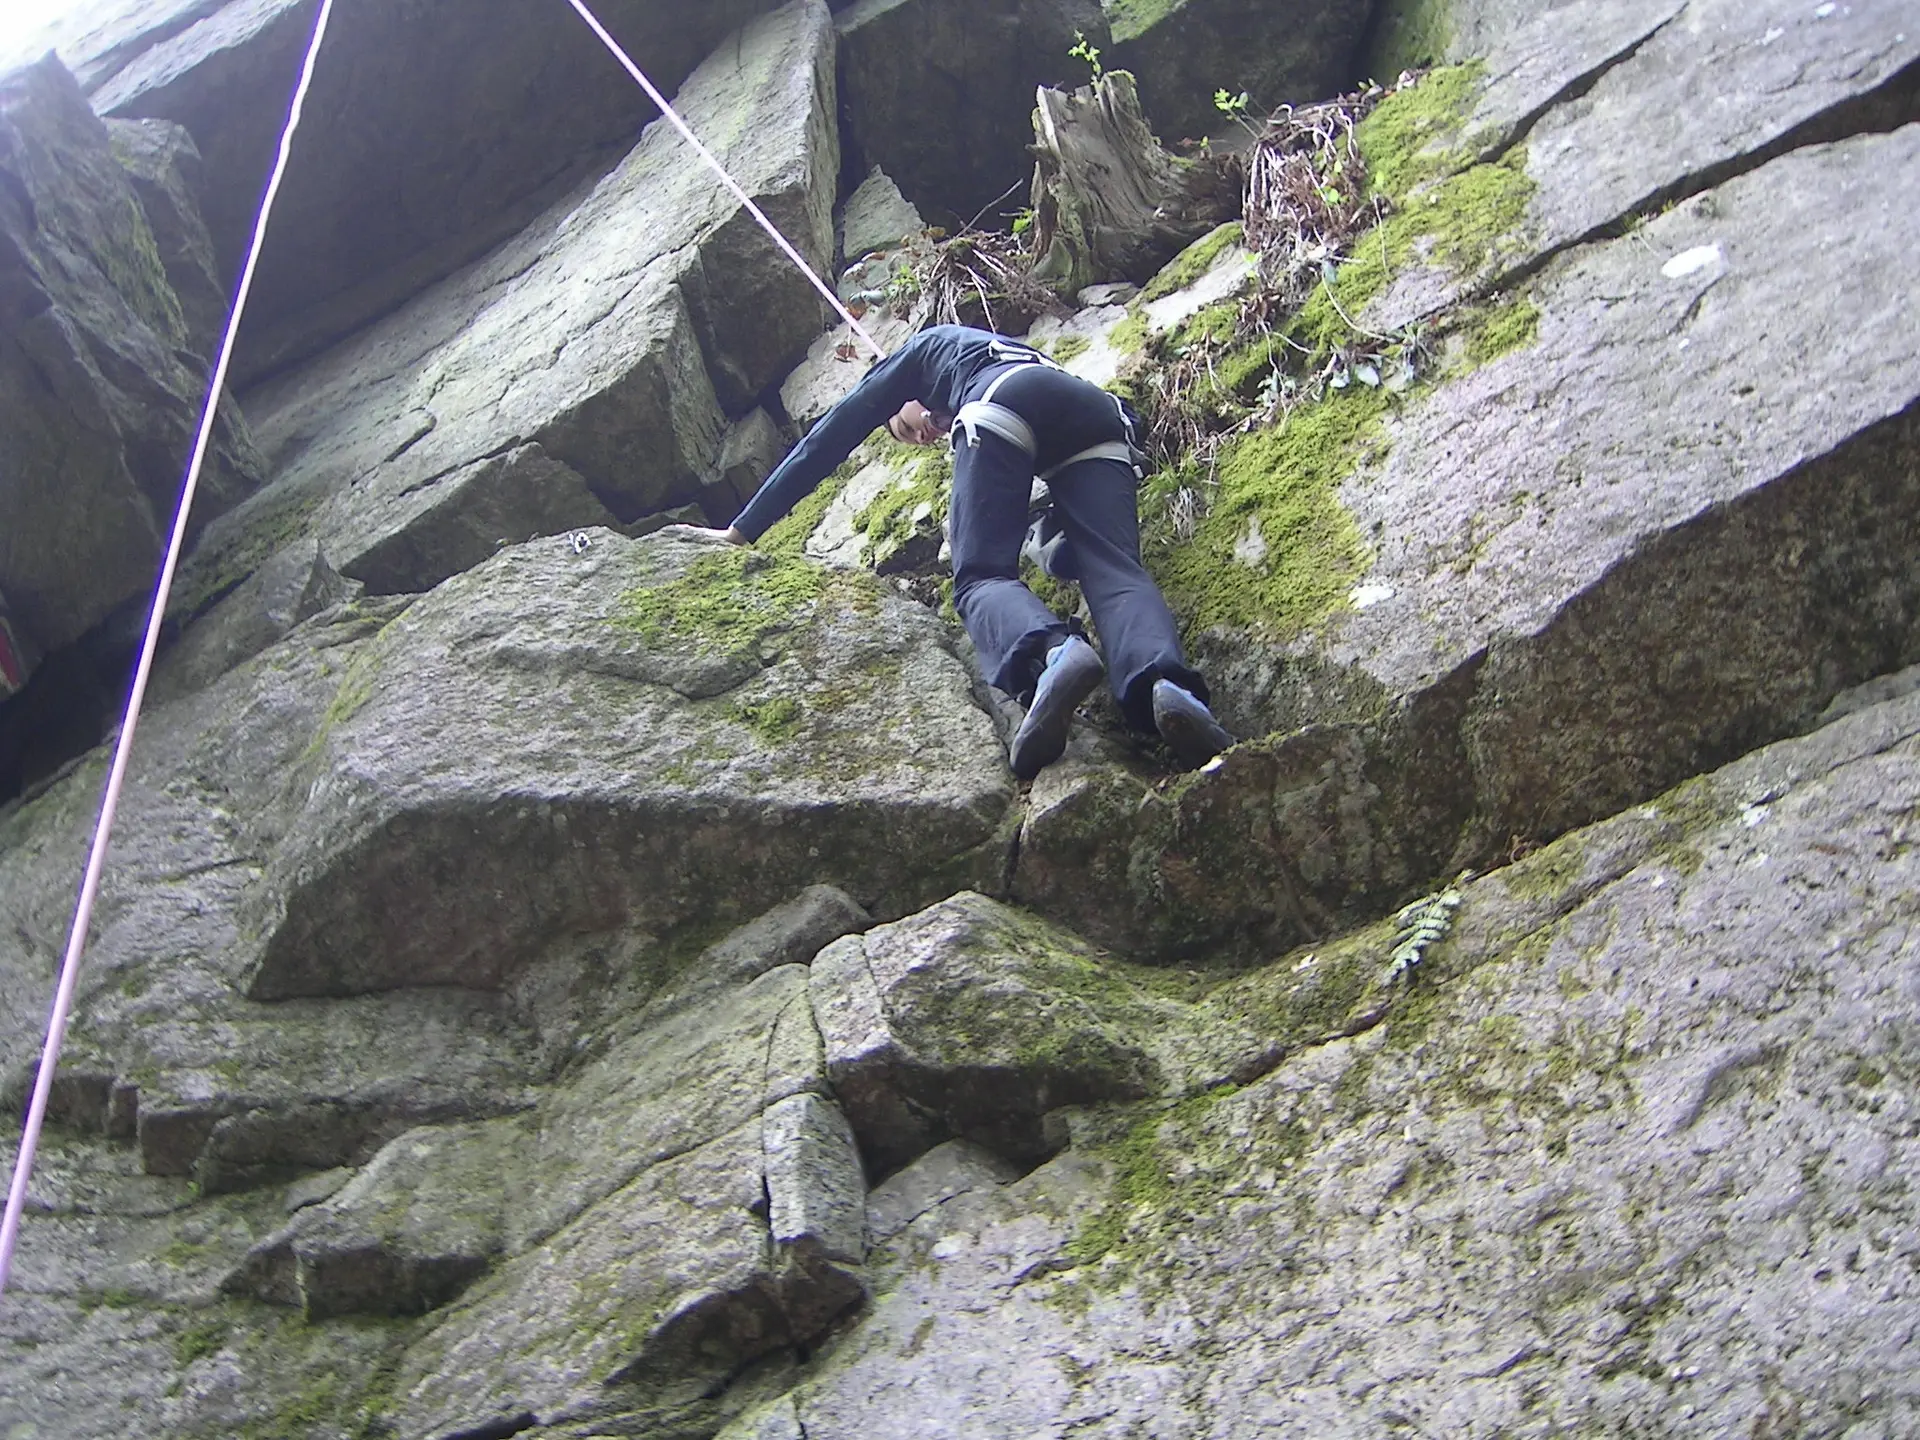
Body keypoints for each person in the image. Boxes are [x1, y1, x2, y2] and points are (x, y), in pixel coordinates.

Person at [698, 323, 1232, 779]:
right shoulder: (1010, 348)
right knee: (1116, 570)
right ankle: (1163, 686)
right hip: (1099, 416)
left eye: (907, 426)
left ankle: (1053, 654)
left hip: (1001, 398)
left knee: (979, 578)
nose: (923, 432)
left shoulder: (922, 349)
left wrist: (741, 531)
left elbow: (827, 440)